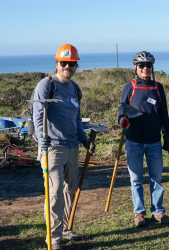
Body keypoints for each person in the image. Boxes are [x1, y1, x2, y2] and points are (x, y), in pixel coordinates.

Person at [33, 44, 94, 250]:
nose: (68, 67)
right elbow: (38, 115)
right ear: (56, 63)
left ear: (76, 65)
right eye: (64, 63)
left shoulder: (75, 88)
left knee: (70, 190)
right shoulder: (46, 85)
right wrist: (40, 139)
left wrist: (83, 138)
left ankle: (66, 229)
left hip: (72, 146)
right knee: (55, 191)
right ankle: (54, 238)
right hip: (52, 148)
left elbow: (76, 118)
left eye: (72, 64)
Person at [118, 51, 169, 227]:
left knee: (156, 178)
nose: (145, 68)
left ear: (152, 67)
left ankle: (158, 212)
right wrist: (122, 121)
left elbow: (163, 113)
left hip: (154, 141)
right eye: (141, 66)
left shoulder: (158, 87)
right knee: (136, 179)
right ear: (135, 68)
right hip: (133, 141)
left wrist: (167, 136)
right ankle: (139, 213)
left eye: (148, 65)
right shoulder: (130, 87)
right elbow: (121, 110)